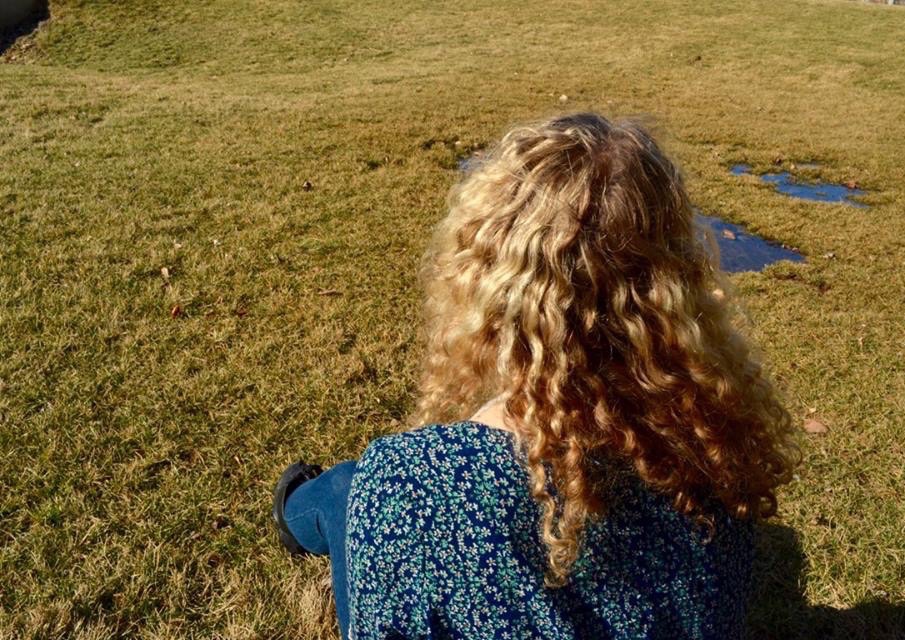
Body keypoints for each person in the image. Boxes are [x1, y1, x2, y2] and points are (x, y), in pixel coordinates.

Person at [271, 113, 800, 640]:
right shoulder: (717, 460)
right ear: (672, 283)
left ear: (490, 281)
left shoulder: (408, 483)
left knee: (345, 489)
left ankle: (293, 506)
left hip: (394, 488)